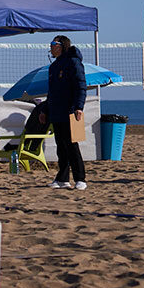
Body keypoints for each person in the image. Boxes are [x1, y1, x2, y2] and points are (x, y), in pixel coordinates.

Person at [41, 35, 87, 190]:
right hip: (56, 111)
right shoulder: (54, 66)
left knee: (72, 145)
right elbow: (52, 92)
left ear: (60, 46)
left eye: (53, 44)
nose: (51, 47)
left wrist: (79, 107)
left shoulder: (73, 62)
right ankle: (63, 179)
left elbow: (81, 86)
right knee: (61, 146)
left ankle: (80, 179)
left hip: (70, 110)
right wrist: (45, 110)